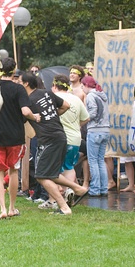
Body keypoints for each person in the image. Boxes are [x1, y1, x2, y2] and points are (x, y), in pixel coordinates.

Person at [21, 72, 89, 215]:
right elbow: (66, 105)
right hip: (60, 136)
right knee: (51, 174)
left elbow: (26, 112)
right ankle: (78, 189)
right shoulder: (46, 93)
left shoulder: (28, 99)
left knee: (41, 176)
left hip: (48, 139)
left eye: (20, 82)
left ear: (26, 83)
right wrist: (52, 116)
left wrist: (36, 117)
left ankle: (64, 207)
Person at [0, 57, 39, 220]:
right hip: (15, 136)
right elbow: (24, 111)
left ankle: (2, 208)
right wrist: (34, 116)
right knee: (13, 170)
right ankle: (12, 207)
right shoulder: (18, 89)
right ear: (14, 70)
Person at [51, 74, 90, 196]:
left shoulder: (53, 97)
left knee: (53, 169)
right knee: (69, 166)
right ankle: (69, 192)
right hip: (74, 138)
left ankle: (54, 198)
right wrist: (77, 126)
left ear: (54, 86)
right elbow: (87, 118)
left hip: (57, 138)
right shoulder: (76, 99)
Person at [82, 75, 111, 197]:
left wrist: (84, 118)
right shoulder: (102, 95)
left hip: (94, 130)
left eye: (83, 86)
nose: (82, 89)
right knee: (100, 160)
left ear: (86, 85)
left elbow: (93, 112)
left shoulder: (90, 96)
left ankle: (94, 189)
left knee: (93, 161)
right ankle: (103, 188)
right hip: (105, 130)